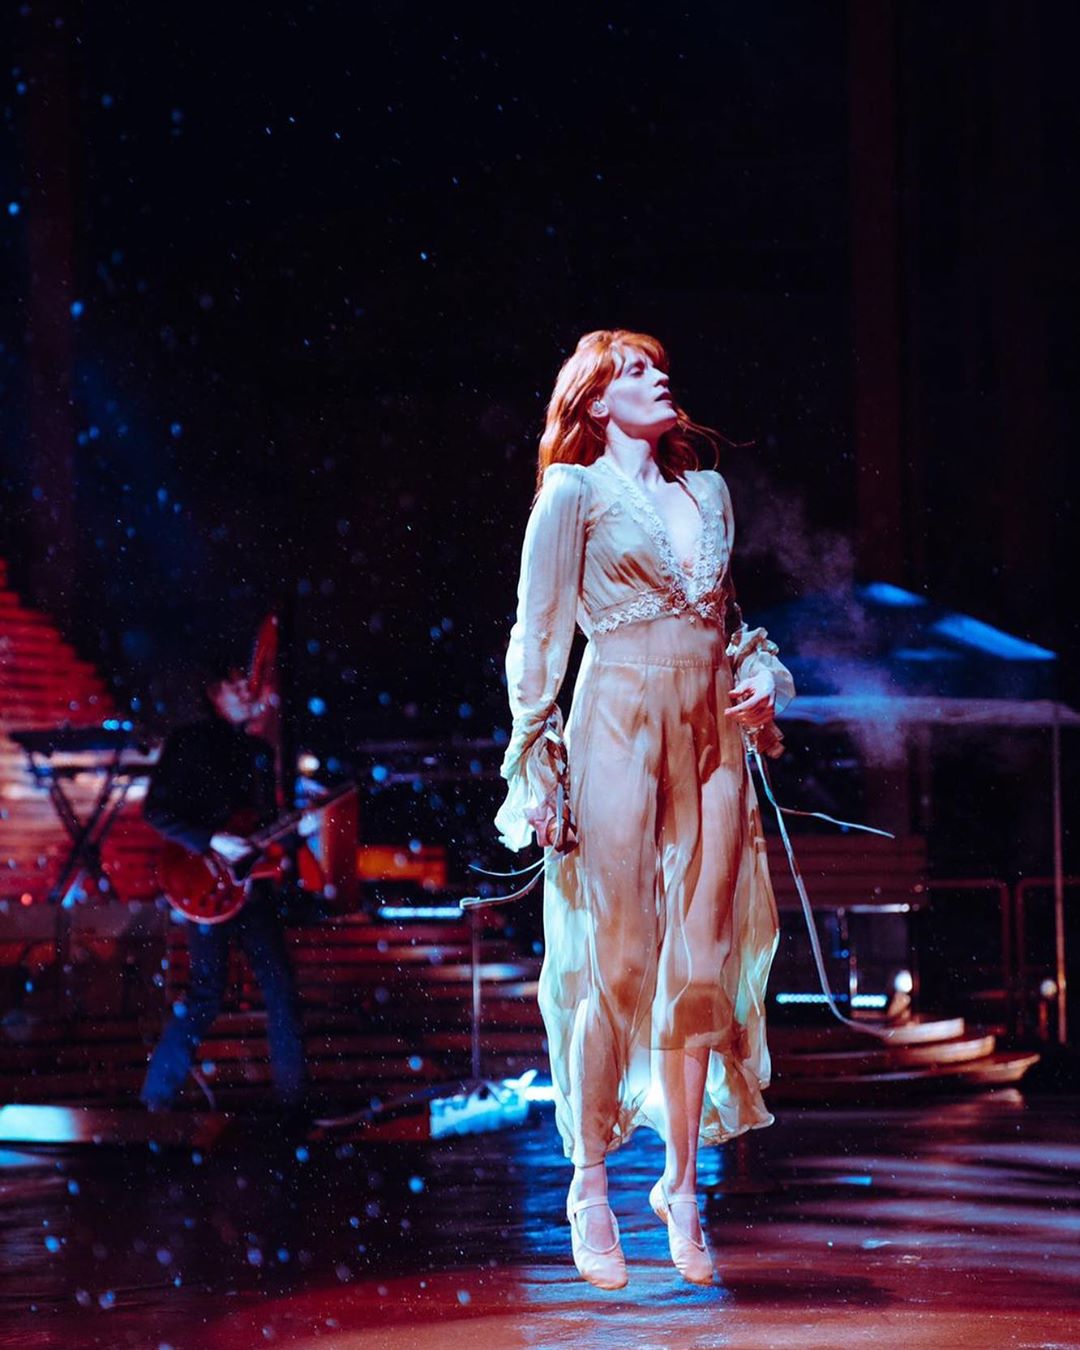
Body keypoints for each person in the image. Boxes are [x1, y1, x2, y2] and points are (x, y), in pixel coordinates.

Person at [495, 329, 794, 1289]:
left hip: (710, 733)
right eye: (634, 371)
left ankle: (680, 1187)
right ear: (594, 401)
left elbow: (730, 624)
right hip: (616, 722)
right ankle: (589, 1182)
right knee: (619, 959)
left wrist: (764, 681)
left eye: (660, 368)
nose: (659, 379)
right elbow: (538, 635)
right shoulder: (571, 494)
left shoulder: (708, 492)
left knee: (701, 962)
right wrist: (535, 763)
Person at [140, 668, 307, 1114]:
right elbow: (155, 811)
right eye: (234, 686)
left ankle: (295, 1108)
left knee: (281, 990)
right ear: (213, 694)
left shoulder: (258, 751)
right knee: (205, 994)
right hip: (204, 884)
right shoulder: (189, 742)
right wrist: (211, 839)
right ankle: (155, 1102)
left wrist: (298, 831)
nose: (245, 691)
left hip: (251, 886)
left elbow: (266, 825)